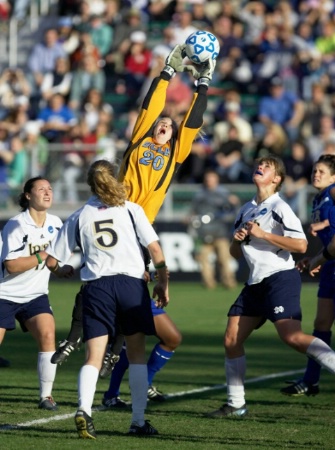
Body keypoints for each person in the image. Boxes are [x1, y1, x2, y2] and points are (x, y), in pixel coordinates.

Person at [51, 44, 215, 403]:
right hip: (114, 212)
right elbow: (151, 107)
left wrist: (203, 84)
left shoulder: (175, 154)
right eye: (162, 123)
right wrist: (167, 73)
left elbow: (193, 122)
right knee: (100, 278)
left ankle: (111, 351)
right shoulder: (139, 142)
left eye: (170, 126)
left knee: (130, 294)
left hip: (139, 229)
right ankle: (81, 338)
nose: (165, 125)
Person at [45, 159, 169, 438]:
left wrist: (61, 269)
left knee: (93, 356)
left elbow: (52, 260)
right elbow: (156, 252)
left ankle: (84, 411)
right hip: (130, 285)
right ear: (116, 178)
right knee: (136, 355)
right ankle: (137, 421)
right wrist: (163, 282)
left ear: (89, 184)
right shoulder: (130, 209)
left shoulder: (79, 215)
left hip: (96, 288)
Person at [207, 155, 335, 418]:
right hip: (255, 283)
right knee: (231, 339)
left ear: (276, 179)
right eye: (259, 164)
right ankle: (236, 404)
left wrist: (263, 234)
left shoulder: (280, 207)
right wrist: (238, 239)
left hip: (279, 278)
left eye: (268, 167)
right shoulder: (245, 209)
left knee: (293, 337)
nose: (261, 167)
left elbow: (300, 245)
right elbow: (234, 254)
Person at [0, 176, 67, 410]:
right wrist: (42, 256)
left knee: (48, 335)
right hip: (4, 294)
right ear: (28, 196)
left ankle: (45, 396)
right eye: (41, 189)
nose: (48, 193)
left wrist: (60, 270)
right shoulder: (16, 225)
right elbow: (11, 266)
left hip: (35, 295)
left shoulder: (57, 223)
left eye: (50, 189)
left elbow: (53, 261)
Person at [281, 154, 335, 396]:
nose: (316, 174)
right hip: (330, 266)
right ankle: (311, 380)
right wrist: (318, 259)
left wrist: (317, 258)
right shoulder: (319, 198)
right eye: (314, 170)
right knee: (321, 324)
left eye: (322, 172)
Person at [189, 169, 239, 290]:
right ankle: (209, 284)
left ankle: (229, 282)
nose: (209, 181)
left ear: (216, 179)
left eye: (211, 178)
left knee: (224, 260)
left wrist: (234, 203)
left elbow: (233, 210)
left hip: (220, 232)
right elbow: (193, 211)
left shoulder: (224, 193)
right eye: (207, 178)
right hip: (204, 233)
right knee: (204, 261)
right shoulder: (200, 194)